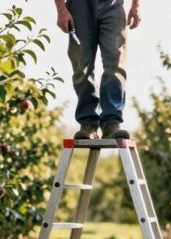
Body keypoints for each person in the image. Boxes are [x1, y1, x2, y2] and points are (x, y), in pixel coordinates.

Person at [54, 0, 141, 140]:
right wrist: (61, 10)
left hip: (113, 5)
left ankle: (111, 123)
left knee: (115, 63)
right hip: (79, 6)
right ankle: (88, 124)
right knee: (81, 66)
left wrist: (136, 6)